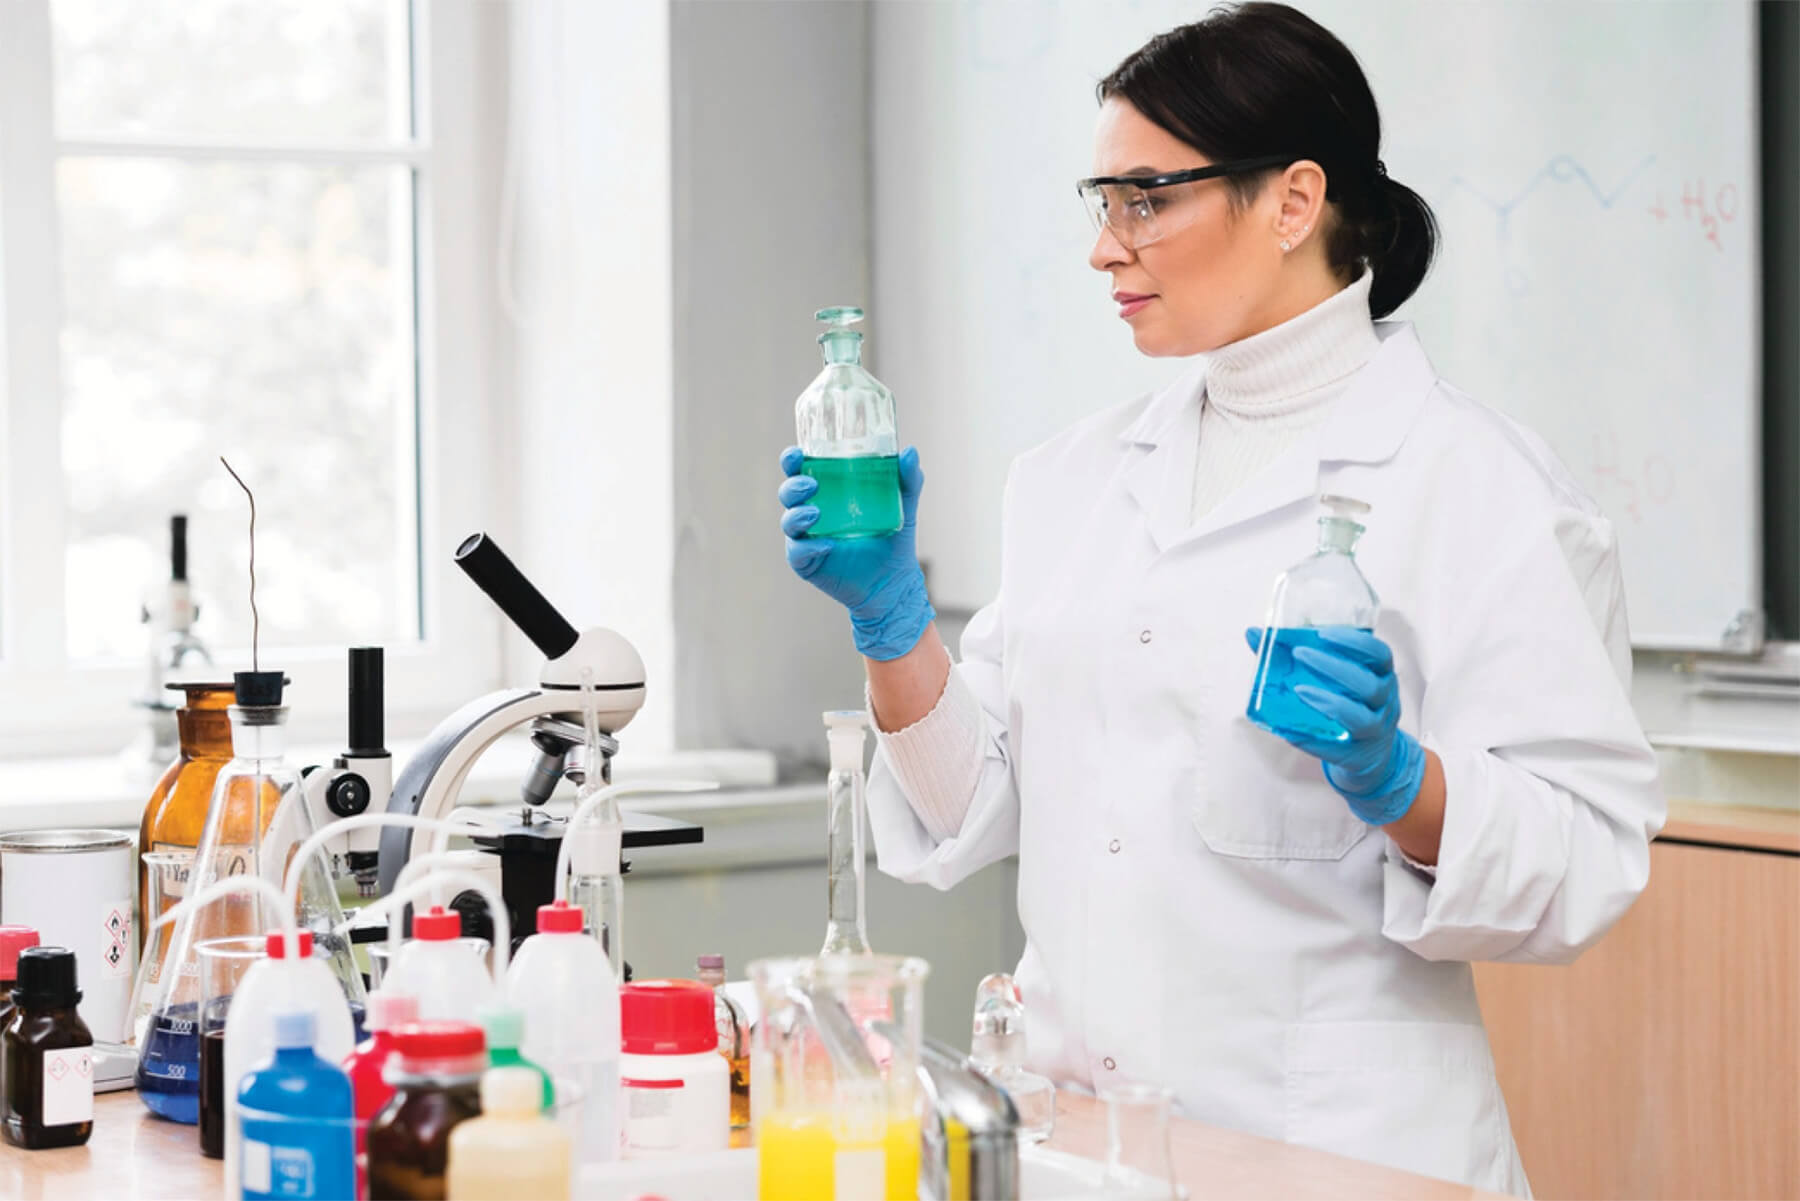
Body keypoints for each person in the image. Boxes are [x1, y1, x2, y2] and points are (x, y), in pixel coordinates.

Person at [776, 4, 1663, 1194]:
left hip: (1339, 1156)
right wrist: (891, 631)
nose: (1105, 247)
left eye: (1146, 199)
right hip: (1081, 1143)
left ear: (1294, 201)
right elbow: (972, 803)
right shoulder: (1072, 479)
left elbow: (1587, 859)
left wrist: (1407, 786)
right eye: (1101, 204)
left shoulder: (1481, 489)